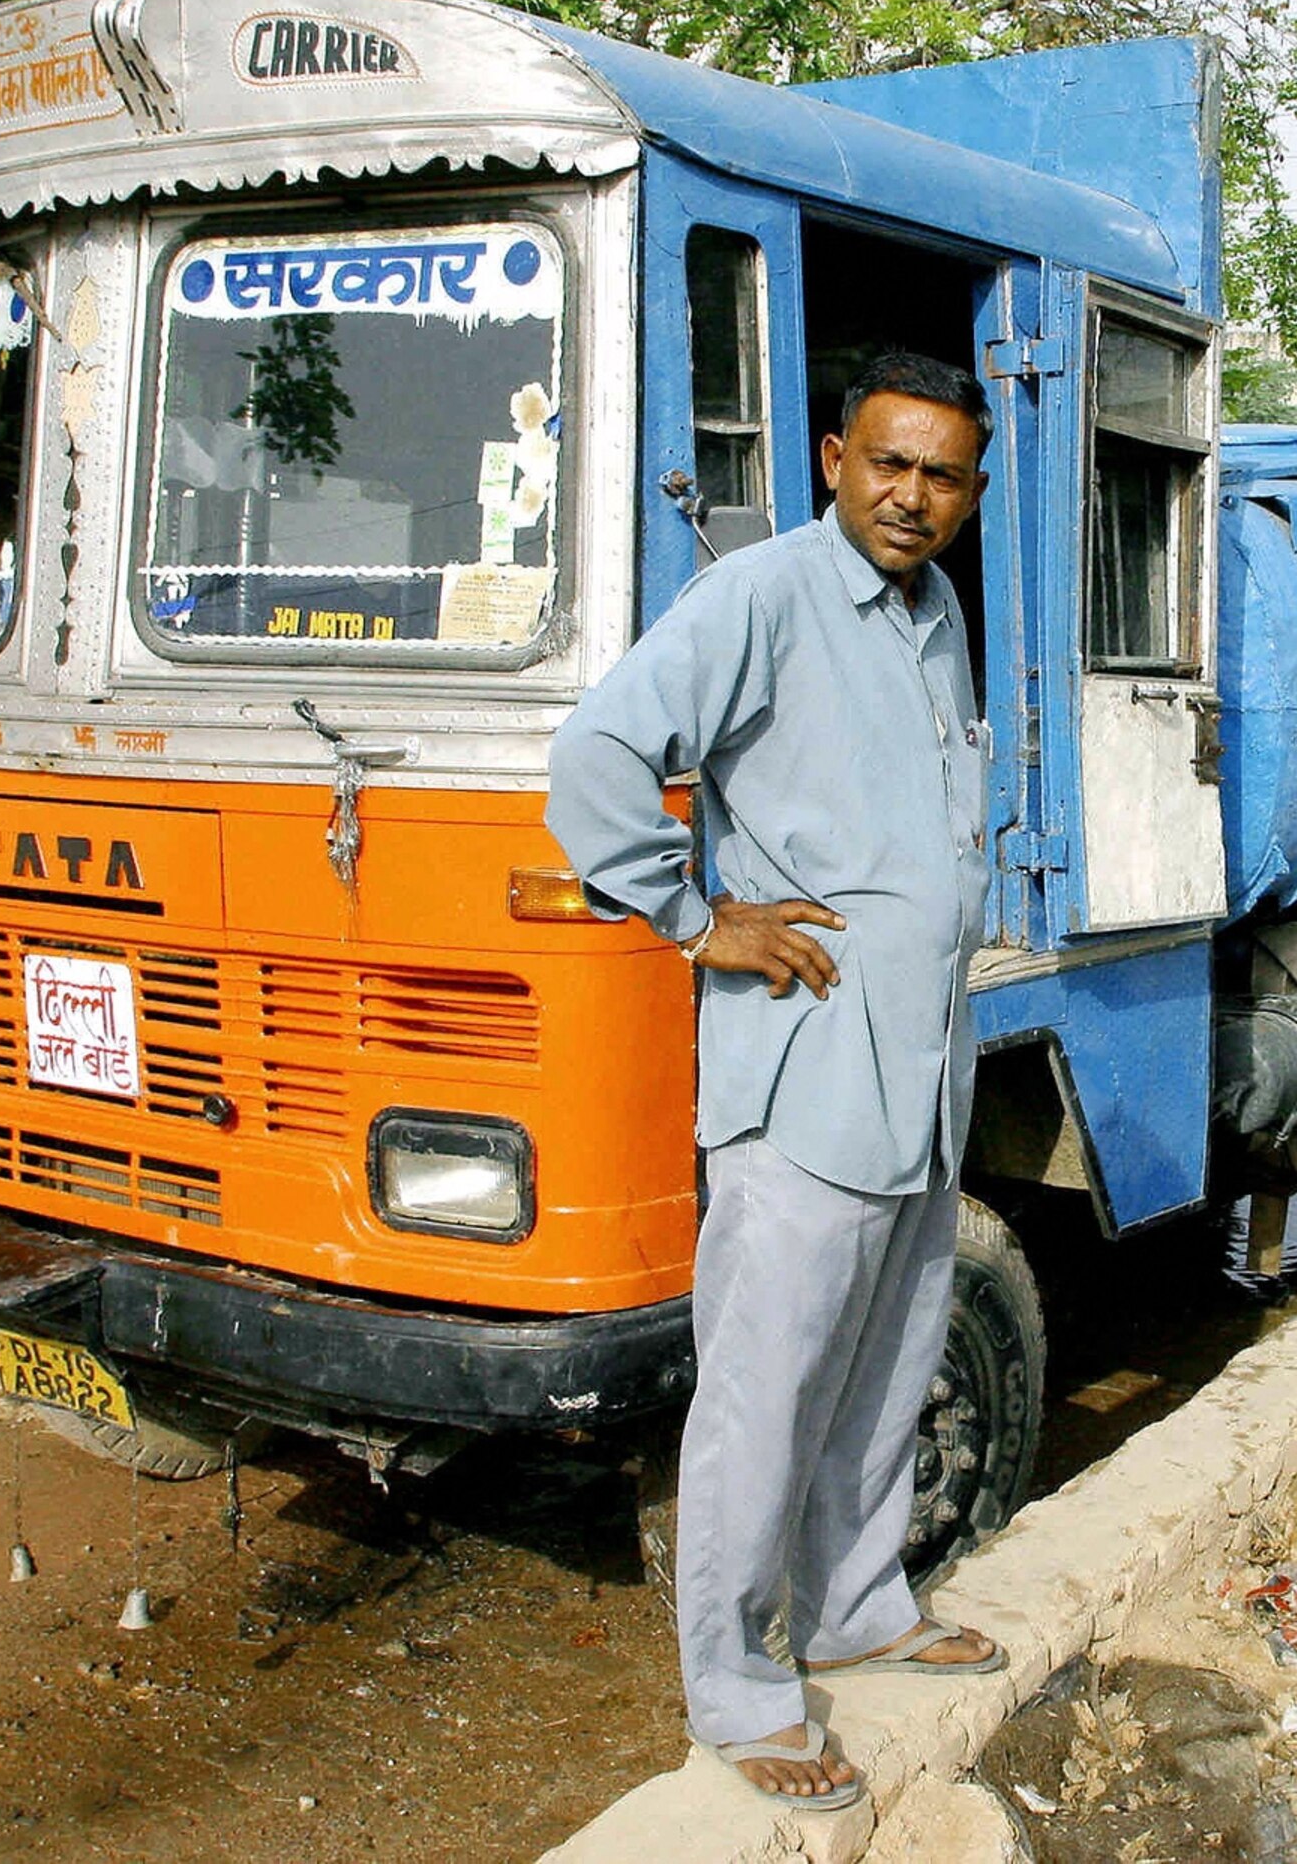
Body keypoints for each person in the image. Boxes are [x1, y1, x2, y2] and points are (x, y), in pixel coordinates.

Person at [543, 350, 1005, 1811]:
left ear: (973, 489)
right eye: (889, 464)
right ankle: (740, 1691)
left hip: (920, 1073)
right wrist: (697, 920)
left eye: (943, 474)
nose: (913, 497)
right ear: (831, 459)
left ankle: (861, 1607)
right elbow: (598, 759)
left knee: (883, 1365)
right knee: (761, 1388)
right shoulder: (766, 595)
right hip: (803, 1077)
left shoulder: (937, 618)